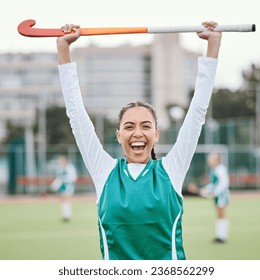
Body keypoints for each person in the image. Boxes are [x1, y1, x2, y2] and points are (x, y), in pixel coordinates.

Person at [56, 21, 222, 259]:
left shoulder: (171, 170)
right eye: (129, 127)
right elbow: (76, 114)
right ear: (118, 135)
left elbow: (198, 111)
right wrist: (64, 50)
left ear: (156, 134)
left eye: (146, 126)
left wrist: (213, 47)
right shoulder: (104, 171)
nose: (137, 133)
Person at [188, 152, 230, 243]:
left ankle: (222, 237)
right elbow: (213, 184)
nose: (209, 160)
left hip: (221, 196)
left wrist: (214, 192)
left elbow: (224, 183)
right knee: (219, 215)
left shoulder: (220, 169)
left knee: (221, 215)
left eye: (212, 158)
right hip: (217, 195)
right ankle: (220, 236)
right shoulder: (214, 170)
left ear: (217, 160)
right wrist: (205, 189)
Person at [50, 155, 78, 222]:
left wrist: (67, 181)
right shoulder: (60, 168)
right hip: (62, 186)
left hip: (68, 185)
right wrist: (54, 185)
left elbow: (73, 178)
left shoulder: (70, 167)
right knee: (62, 199)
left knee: (66, 198)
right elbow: (59, 178)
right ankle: (65, 215)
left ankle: (68, 215)